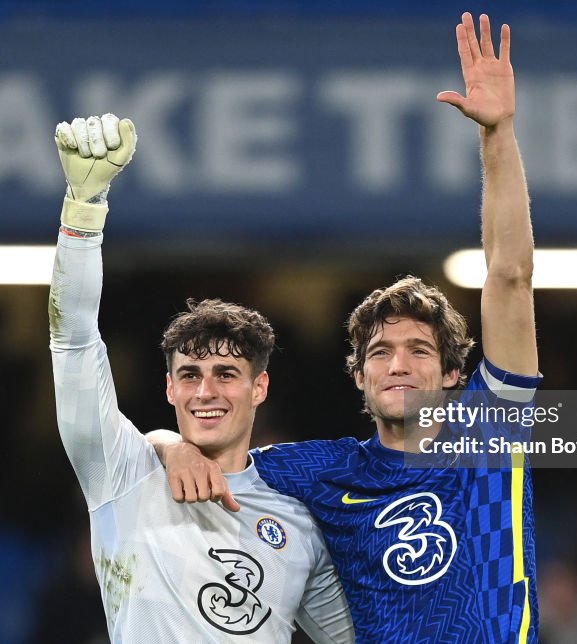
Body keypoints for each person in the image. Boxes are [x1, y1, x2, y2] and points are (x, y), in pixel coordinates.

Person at [152, 12, 542, 643]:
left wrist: (498, 135)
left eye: (420, 350)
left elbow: (509, 276)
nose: (399, 364)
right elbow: (214, 443)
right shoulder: (321, 471)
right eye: (381, 352)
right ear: (359, 377)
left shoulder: (493, 433)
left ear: (452, 374)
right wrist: (168, 443)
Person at [49, 113, 353, 643]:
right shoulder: (121, 471)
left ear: (260, 387)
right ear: (169, 388)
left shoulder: (298, 520)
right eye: (189, 375)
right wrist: (83, 210)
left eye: (225, 374)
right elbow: (73, 340)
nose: (205, 391)